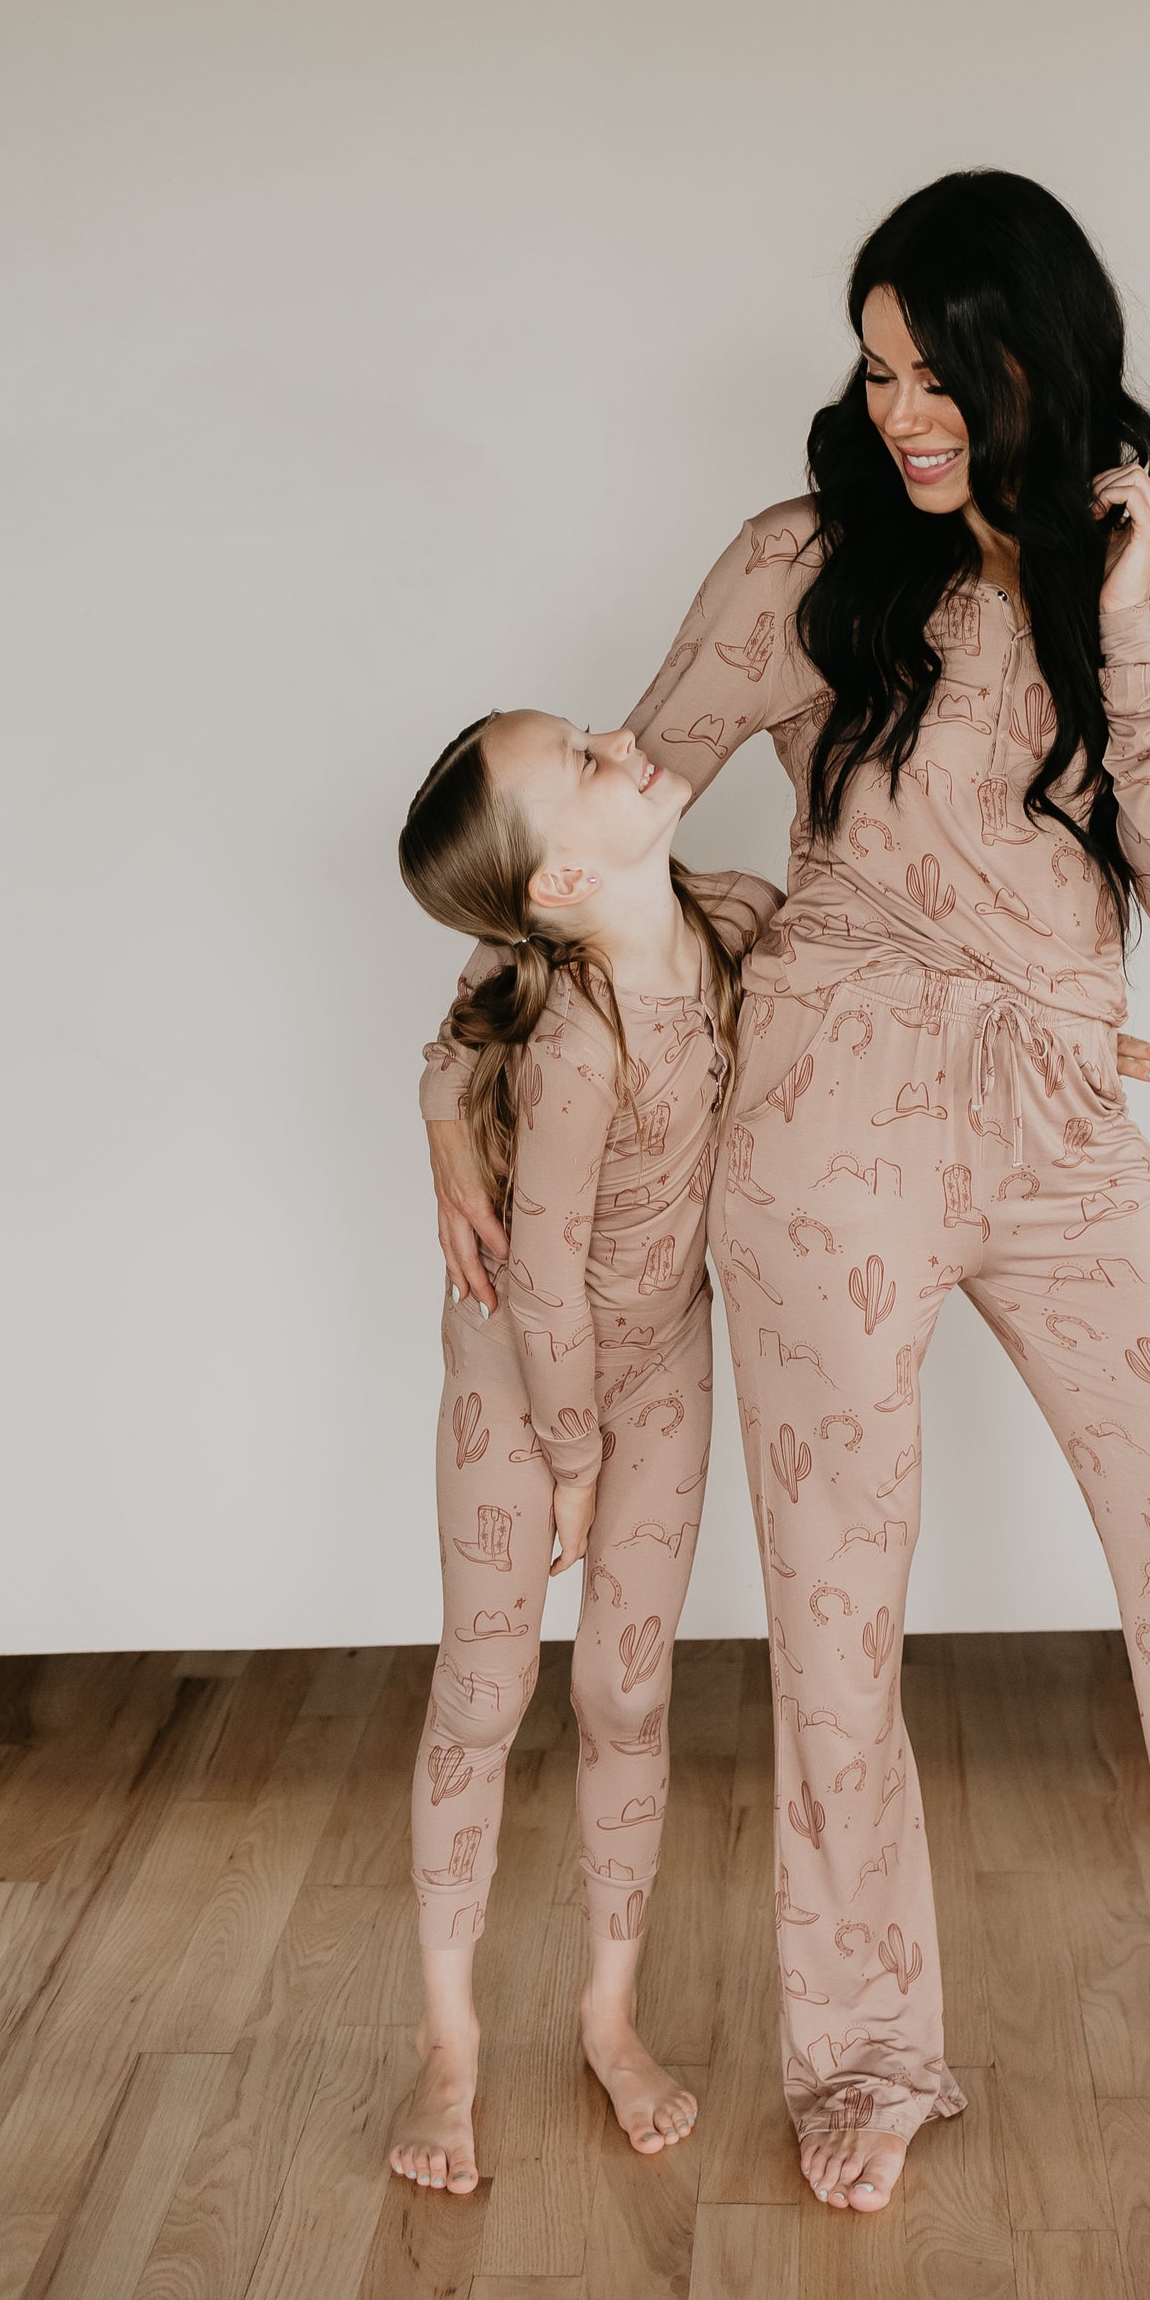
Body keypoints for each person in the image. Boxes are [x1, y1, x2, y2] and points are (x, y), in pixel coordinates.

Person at [428, 170, 1150, 2217]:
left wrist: (1112, 622)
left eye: (939, 366)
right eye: (876, 369)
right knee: (843, 1607)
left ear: (1048, 351)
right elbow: (596, 847)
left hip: (1052, 1118)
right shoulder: (805, 557)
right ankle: (863, 2053)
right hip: (825, 1110)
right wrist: (450, 1096)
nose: (905, 408)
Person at [390, 705, 777, 2189]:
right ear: (555, 884)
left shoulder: (728, 919)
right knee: (484, 1696)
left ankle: (608, 2014)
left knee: (625, 1689)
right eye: (585, 761)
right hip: (521, 1384)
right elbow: (540, 1278)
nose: (625, 737)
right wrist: (565, 1458)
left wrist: (1037, 1026)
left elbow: (879, 981)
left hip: (660, 1359)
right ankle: (449, 2045)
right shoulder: (571, 1042)